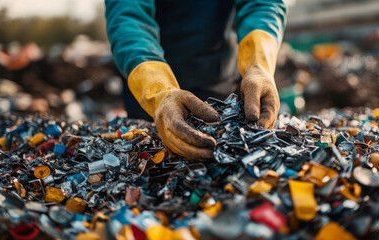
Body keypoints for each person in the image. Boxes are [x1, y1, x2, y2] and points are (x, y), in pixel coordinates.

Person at [105, 0, 287, 160]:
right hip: (150, 99)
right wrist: (158, 92)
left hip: (220, 85)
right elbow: (128, 19)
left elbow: (261, 4)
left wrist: (258, 65)